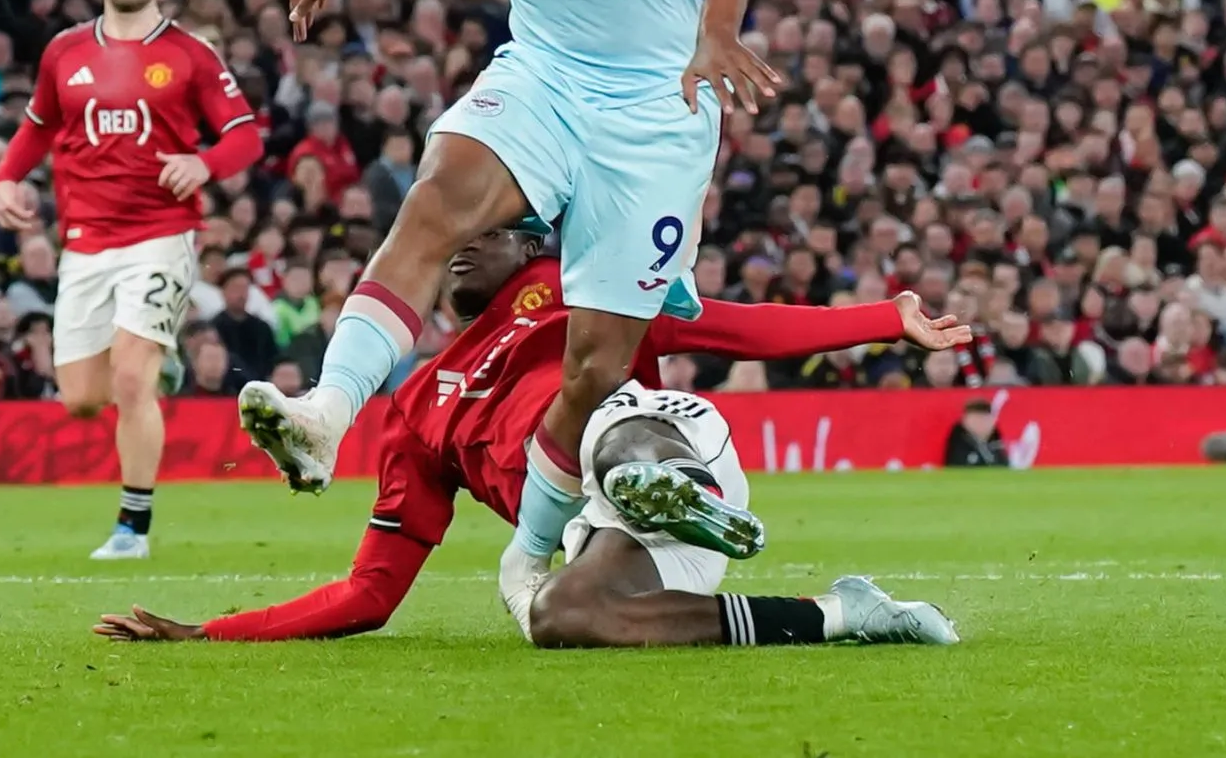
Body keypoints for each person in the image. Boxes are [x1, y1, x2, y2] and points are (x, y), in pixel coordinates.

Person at [235, 0, 780, 630]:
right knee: (434, 201)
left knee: (594, 367)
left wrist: (716, 31)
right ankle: (324, 411)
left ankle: (530, 554)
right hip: (543, 72)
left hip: (656, 100)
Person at [98, 226, 962, 647]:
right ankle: (845, 612)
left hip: (667, 436)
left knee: (597, 415)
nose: (463, 244)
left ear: (529, 244)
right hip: (615, 537)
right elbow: (370, 592)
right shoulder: (415, 409)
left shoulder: (581, 286)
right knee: (561, 617)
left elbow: (735, 327)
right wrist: (213, 631)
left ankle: (664, 482)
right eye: (457, 235)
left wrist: (887, 319)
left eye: (489, 231)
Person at [0, 0, 264, 559]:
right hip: (85, 241)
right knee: (83, 399)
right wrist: (4, 179)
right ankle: (159, 362)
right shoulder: (64, 52)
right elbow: (37, 125)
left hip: (161, 234)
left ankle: (131, 528)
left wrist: (204, 164)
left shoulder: (190, 54)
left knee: (132, 378)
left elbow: (245, 135)